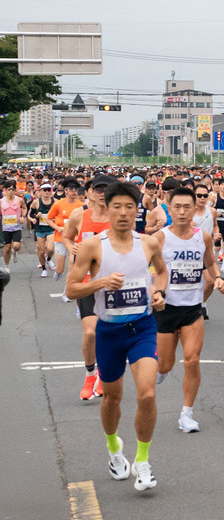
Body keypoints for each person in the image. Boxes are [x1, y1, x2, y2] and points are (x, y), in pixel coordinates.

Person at [65, 182, 168, 492]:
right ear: (106, 209)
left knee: (147, 394)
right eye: (117, 207)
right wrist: (100, 283)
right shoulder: (93, 246)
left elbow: (161, 272)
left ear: (138, 210)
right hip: (109, 332)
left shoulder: (149, 243)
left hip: (142, 328)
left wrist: (159, 292)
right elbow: (71, 289)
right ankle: (114, 448)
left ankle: (144, 460)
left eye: (129, 207)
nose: (123, 213)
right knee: (112, 397)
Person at [152, 186, 224, 433]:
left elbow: (210, 263)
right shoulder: (159, 238)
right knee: (165, 365)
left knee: (192, 360)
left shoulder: (202, 237)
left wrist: (216, 278)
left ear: (195, 208)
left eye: (188, 207)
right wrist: (155, 293)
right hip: (165, 308)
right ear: (169, 208)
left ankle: (186, 414)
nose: (183, 212)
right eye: (178, 207)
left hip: (193, 308)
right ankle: (160, 370)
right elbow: (145, 271)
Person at [64, 175, 117, 401]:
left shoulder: (119, 216)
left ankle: (103, 374)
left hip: (112, 282)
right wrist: (72, 247)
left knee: (108, 333)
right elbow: (66, 237)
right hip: (85, 282)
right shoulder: (79, 215)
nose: (102, 193)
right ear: (90, 191)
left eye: (107, 189)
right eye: (98, 188)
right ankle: (89, 373)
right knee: (90, 332)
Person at [27, 181, 56, 276]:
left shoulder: (55, 202)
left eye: (49, 190)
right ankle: (44, 269)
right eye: (45, 190)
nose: (47, 192)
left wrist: (56, 218)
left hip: (51, 228)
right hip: (39, 229)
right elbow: (30, 214)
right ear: (41, 191)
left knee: (50, 248)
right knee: (41, 250)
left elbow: (60, 214)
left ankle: (49, 259)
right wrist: (36, 216)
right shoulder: (36, 202)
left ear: (51, 191)